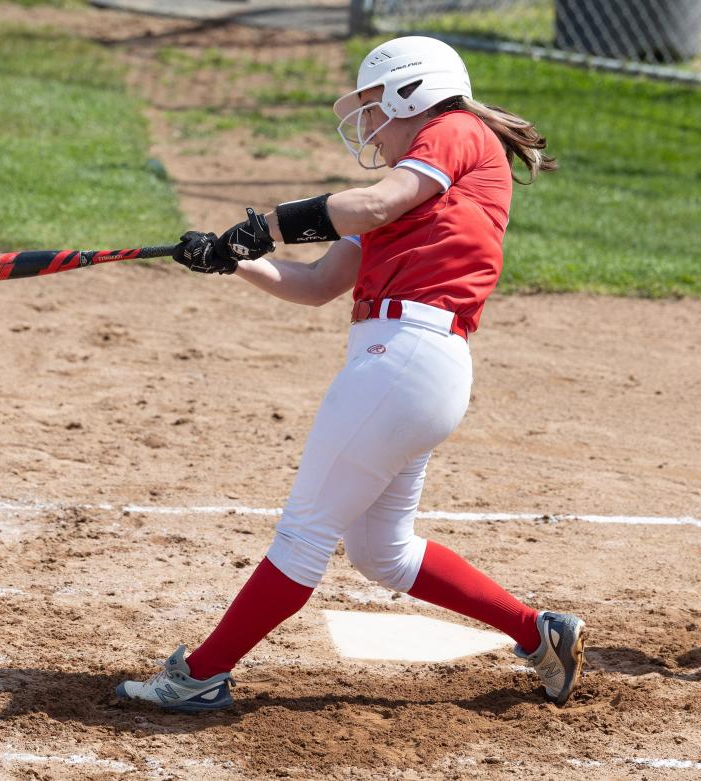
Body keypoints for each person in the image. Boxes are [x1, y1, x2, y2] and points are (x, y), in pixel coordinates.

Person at [116, 36, 586, 712]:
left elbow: (368, 203)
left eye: (375, 109)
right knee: (382, 552)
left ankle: (201, 674)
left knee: (305, 532)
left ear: (412, 93)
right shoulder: (411, 198)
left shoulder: (454, 133)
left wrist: (268, 224)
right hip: (409, 368)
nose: (367, 127)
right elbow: (316, 285)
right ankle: (537, 632)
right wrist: (229, 257)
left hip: (408, 359)